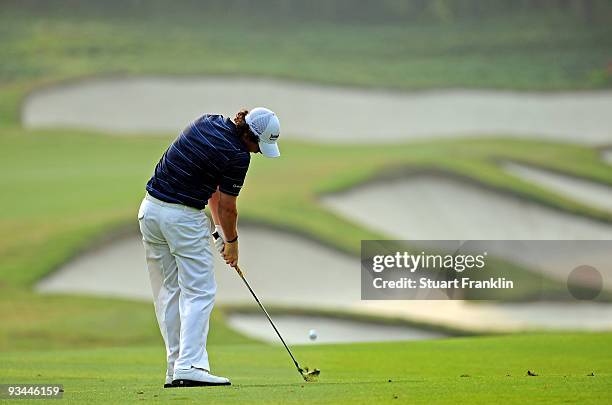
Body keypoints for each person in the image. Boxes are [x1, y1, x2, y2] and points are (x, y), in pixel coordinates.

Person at [137, 107, 281, 388]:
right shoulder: (238, 155)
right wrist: (233, 244)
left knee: (170, 293)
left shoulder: (209, 121)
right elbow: (228, 207)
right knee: (200, 291)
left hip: (150, 211)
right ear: (250, 136)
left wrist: (218, 233)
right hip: (181, 218)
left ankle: (176, 367)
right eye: (258, 146)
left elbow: (213, 188)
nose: (257, 153)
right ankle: (190, 366)